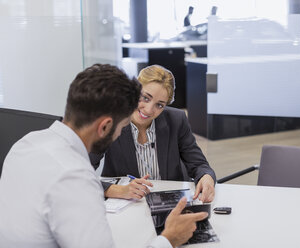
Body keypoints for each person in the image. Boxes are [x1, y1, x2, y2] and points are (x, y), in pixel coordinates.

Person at [0, 64, 208, 248]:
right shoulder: (77, 178)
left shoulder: (24, 144)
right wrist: (169, 239)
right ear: (105, 126)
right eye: (123, 126)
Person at [90, 64, 216, 203]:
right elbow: (80, 171)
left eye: (160, 105)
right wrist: (118, 190)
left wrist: (206, 178)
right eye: (145, 98)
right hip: (126, 204)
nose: (149, 110)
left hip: (170, 204)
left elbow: (199, 165)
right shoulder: (111, 121)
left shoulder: (176, 120)